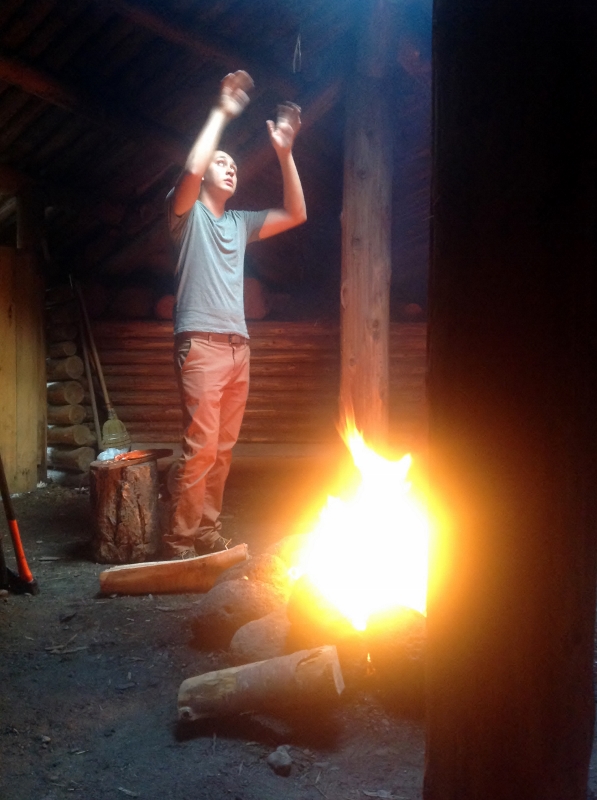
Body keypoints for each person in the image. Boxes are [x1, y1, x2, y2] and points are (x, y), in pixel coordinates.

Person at [163, 71, 306, 559]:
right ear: (205, 173)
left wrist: (285, 153)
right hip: (200, 343)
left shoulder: (240, 224)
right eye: (221, 163)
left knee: (222, 450)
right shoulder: (186, 214)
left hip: (237, 347)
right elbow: (191, 167)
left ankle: (206, 531)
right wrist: (222, 111)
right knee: (201, 446)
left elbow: (296, 213)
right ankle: (180, 542)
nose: (230, 169)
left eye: (235, 166)